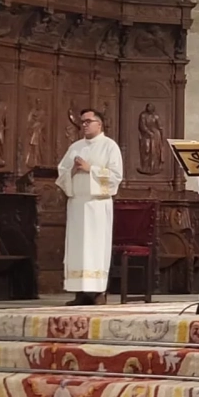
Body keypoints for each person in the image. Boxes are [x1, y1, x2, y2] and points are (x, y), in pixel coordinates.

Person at [55, 108, 123, 306]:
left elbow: (116, 176)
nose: (84, 125)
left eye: (88, 121)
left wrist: (89, 169)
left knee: (95, 248)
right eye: (82, 122)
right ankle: (80, 292)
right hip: (77, 204)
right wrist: (73, 171)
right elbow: (61, 174)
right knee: (77, 249)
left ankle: (98, 292)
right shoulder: (75, 147)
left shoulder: (109, 146)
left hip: (97, 205)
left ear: (99, 124)